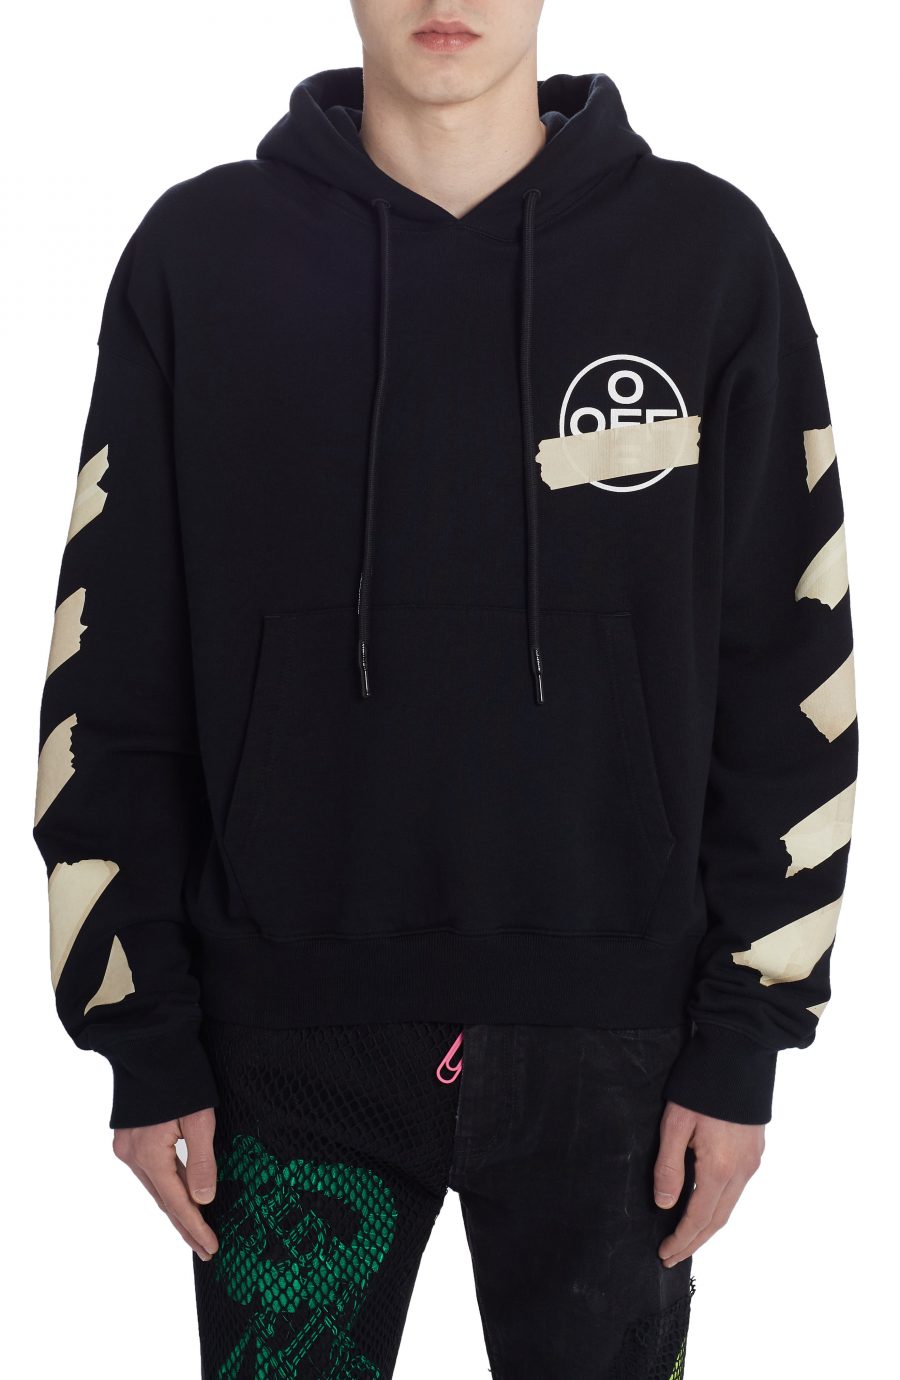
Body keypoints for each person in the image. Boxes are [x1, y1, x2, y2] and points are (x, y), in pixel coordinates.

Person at [31, 2, 858, 1376]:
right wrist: (140, 1026)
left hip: (620, 1052)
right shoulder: (201, 257)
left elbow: (793, 662)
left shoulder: (708, 259)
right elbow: (113, 663)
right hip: (278, 1047)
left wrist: (747, 1033)